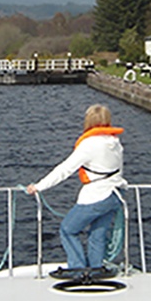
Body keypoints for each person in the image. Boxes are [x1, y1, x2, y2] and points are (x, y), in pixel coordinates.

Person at [26, 104, 126, 272]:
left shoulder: (89, 144)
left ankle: (78, 269)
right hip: (115, 195)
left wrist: (38, 187)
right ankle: (95, 270)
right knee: (97, 235)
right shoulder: (115, 142)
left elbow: (64, 169)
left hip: (97, 196)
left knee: (68, 229)